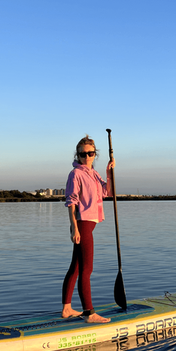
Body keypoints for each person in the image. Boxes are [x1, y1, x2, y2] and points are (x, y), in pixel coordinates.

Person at [62, 135, 114, 324]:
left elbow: (108, 192)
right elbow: (71, 202)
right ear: (78, 155)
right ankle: (89, 313)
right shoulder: (75, 174)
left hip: (89, 224)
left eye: (90, 153)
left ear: (95, 154)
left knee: (75, 267)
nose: (86, 157)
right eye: (83, 154)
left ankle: (67, 308)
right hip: (82, 223)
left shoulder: (94, 174)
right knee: (87, 269)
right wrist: (74, 228)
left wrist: (109, 173)